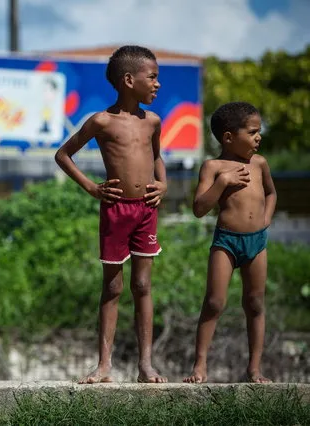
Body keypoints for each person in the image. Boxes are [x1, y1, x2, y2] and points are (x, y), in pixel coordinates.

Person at [55, 45, 167, 383]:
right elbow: (63, 155)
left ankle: (146, 365)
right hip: (115, 209)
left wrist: (163, 184)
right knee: (114, 286)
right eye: (153, 77)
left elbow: (158, 157)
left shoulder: (153, 121)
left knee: (143, 284)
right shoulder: (101, 121)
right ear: (129, 80)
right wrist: (92, 188)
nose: (157, 84)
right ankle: (104, 365)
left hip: (146, 209)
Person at [184, 102, 276, 384]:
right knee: (214, 302)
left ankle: (254, 369)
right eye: (252, 132)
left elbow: (271, 194)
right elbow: (199, 208)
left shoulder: (259, 164)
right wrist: (222, 182)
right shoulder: (213, 167)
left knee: (254, 303)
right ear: (228, 137)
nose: (258, 137)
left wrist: (266, 220)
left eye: (258, 131)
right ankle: (200, 366)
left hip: (256, 243)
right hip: (226, 242)